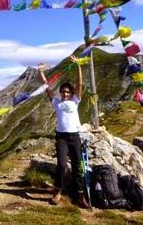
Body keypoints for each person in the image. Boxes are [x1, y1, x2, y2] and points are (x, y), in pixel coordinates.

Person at [38, 55, 90, 208]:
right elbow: (46, 87)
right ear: (60, 93)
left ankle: (79, 195)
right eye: (63, 92)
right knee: (61, 164)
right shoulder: (56, 102)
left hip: (74, 136)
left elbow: (80, 83)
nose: (65, 94)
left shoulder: (75, 101)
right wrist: (40, 73)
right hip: (61, 137)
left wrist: (79, 66)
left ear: (71, 93)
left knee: (77, 166)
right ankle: (57, 192)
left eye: (68, 92)